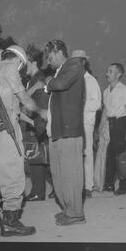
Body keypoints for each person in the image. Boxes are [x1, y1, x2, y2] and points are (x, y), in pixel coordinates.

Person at [0, 45, 47, 237]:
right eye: (21, 67)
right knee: (12, 173)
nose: (21, 70)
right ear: (19, 61)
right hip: (4, 130)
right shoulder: (9, 68)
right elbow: (23, 98)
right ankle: (11, 222)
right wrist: (40, 111)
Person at [44, 39, 86, 226]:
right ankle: (68, 210)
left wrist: (47, 83)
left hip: (69, 132)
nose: (48, 62)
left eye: (50, 57)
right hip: (58, 131)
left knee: (71, 175)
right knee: (59, 174)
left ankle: (76, 214)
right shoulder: (60, 71)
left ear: (59, 51)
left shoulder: (74, 65)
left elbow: (59, 85)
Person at [21, 45, 53, 201]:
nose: (22, 65)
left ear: (31, 61)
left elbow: (43, 105)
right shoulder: (33, 80)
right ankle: (49, 189)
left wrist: (35, 123)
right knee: (38, 158)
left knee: (38, 158)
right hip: (33, 123)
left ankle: (38, 192)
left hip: (37, 124)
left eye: (25, 61)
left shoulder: (39, 78)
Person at [98, 63, 126, 195]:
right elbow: (105, 112)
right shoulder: (106, 91)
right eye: (107, 70)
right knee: (109, 155)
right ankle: (109, 184)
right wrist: (99, 130)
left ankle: (124, 186)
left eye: (111, 71)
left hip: (121, 123)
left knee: (121, 156)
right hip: (109, 124)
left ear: (119, 74)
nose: (107, 73)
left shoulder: (125, 90)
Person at [71, 50, 102, 198]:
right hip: (73, 123)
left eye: (77, 61)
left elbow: (97, 104)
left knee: (87, 154)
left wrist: (80, 106)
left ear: (83, 62)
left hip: (86, 123)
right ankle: (78, 185)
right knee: (75, 155)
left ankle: (88, 186)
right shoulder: (73, 79)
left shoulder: (91, 80)